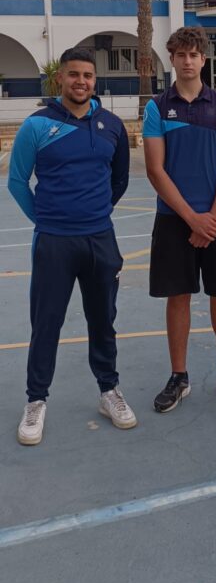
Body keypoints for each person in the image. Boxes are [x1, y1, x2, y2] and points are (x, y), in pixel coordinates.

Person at [8, 48, 136, 445]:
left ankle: (109, 390)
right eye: (74, 74)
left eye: (88, 75)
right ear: (60, 79)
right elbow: (17, 181)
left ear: (95, 81)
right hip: (54, 243)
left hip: (100, 239)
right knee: (46, 322)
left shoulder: (112, 125)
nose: (81, 81)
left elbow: (120, 180)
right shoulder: (37, 125)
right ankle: (36, 400)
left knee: (103, 320)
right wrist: (46, 220)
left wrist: (96, 213)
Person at [143, 26, 216, 412]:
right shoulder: (157, 106)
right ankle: (179, 376)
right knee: (178, 297)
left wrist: (211, 218)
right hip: (175, 219)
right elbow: (155, 170)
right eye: (181, 54)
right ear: (172, 59)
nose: (187, 61)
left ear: (204, 59)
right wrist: (192, 219)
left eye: (194, 54)